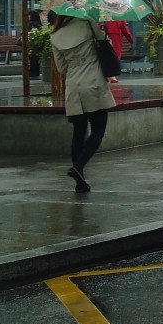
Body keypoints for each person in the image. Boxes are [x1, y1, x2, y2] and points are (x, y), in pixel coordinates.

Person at [50, 14, 116, 193]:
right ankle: (78, 167)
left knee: (78, 133)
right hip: (93, 82)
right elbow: (103, 43)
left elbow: (61, 68)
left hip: (73, 87)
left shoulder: (55, 36)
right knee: (98, 129)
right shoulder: (88, 24)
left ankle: (80, 182)